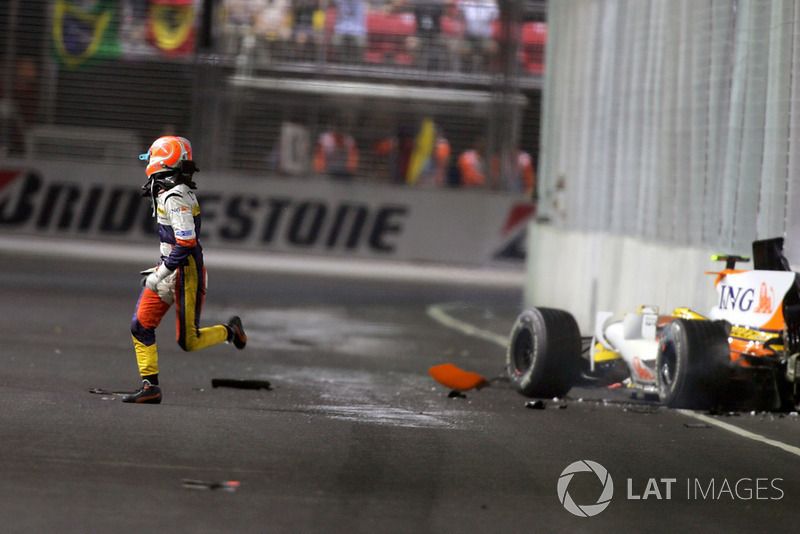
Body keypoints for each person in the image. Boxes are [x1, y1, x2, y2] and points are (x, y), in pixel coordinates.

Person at [125, 136, 247, 404]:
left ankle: (230, 331)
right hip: (171, 266)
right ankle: (150, 387)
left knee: (188, 341)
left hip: (184, 271)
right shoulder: (172, 191)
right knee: (141, 325)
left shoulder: (175, 196)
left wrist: (160, 274)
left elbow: (186, 244)